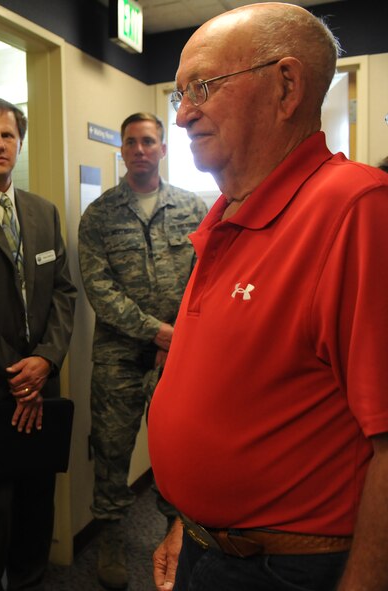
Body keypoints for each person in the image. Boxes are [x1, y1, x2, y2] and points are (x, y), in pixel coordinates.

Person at [148, 3, 388, 591]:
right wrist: (192, 520)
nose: (182, 116)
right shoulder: (229, 212)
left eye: (201, 87)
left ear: (286, 86)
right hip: (213, 547)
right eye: (179, 93)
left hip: (287, 567)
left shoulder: (354, 210)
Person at [78, 112, 207, 589]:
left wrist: (179, 339)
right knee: (112, 449)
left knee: (177, 447)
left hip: (181, 355)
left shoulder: (194, 209)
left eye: (148, 141)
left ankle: (177, 529)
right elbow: (99, 287)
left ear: (163, 148)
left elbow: (205, 277)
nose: (139, 150)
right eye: (130, 142)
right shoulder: (100, 214)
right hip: (119, 355)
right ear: (122, 150)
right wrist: (157, 332)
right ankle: (110, 534)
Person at [0, 97, 77, 590]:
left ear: (19, 143)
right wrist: (18, 374)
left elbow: (65, 291)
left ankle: (30, 582)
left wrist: (44, 361)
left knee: (37, 502)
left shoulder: (42, 212)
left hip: (42, 385)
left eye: (8, 135)